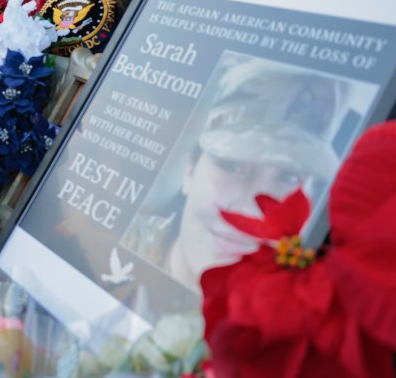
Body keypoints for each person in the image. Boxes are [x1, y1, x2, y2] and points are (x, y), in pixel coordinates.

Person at [120, 58, 349, 291]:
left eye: (288, 177)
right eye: (230, 165)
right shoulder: (111, 243)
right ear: (190, 170)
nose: (249, 210)